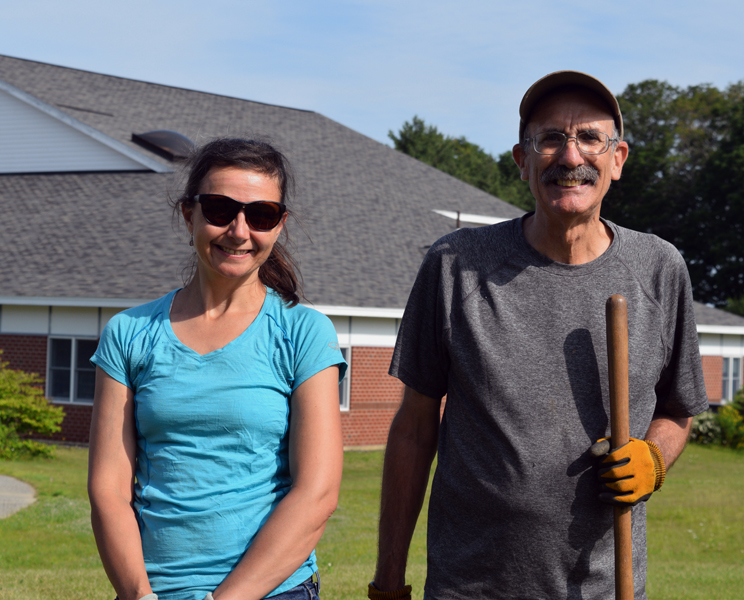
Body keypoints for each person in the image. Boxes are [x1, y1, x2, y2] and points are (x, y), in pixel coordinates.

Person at [370, 71, 709, 600]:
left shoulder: (659, 269)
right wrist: (387, 579)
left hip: (602, 588)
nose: (570, 157)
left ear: (618, 159)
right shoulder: (456, 265)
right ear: (521, 160)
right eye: (550, 138)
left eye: (590, 138)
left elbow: (678, 408)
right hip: (468, 588)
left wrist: (655, 457)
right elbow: (414, 429)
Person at [88, 138, 346, 600]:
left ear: (279, 225)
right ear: (189, 215)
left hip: (273, 591)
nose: (239, 230)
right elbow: (108, 490)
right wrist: (140, 596)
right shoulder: (128, 333)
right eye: (220, 209)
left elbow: (317, 494)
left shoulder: (304, 332)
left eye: (261, 214)